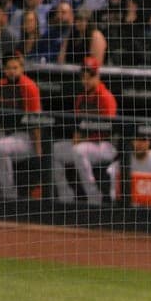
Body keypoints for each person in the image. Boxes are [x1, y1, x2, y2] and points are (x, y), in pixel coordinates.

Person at [51, 57, 118, 206]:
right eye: (84, 78)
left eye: (90, 77)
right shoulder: (81, 98)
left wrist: (83, 138)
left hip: (105, 146)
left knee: (79, 151)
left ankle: (94, 196)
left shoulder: (106, 97)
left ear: (98, 76)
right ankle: (65, 194)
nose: (86, 81)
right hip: (86, 144)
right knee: (55, 150)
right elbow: (77, 126)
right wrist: (77, 136)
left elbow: (107, 129)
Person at [0, 53, 43, 201]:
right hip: (8, 133)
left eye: (15, 68)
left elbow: (36, 121)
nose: (12, 71)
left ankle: (9, 196)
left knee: (0, 148)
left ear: (22, 68)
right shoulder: (1, 85)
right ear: (4, 69)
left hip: (27, 138)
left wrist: (39, 152)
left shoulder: (29, 87)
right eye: (8, 68)